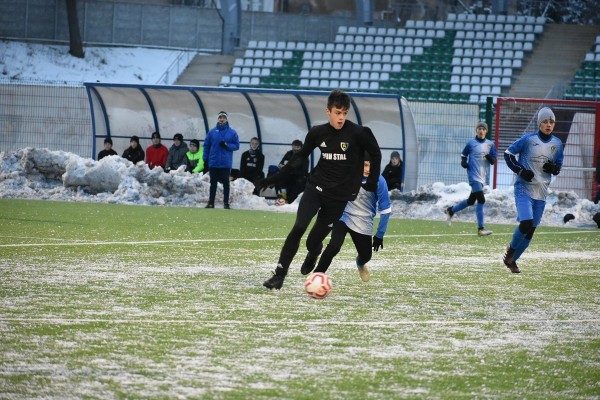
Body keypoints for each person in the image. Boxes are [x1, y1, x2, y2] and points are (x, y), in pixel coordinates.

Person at [255, 89, 382, 290]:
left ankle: (314, 252)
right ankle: (279, 275)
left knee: (312, 242)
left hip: (338, 198)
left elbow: (375, 153)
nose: (341, 117)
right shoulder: (317, 132)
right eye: (337, 112)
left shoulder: (359, 133)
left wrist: (372, 181)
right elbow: (299, 157)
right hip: (315, 188)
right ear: (328, 111)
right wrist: (276, 177)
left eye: (344, 113)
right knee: (299, 226)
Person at [308, 153, 391, 283]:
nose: (368, 169)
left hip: (363, 221)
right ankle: (316, 276)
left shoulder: (379, 181)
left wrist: (380, 234)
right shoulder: (347, 174)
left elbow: (385, 210)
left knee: (366, 256)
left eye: (370, 166)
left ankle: (360, 263)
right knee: (334, 247)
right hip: (343, 216)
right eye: (365, 165)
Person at [503, 107, 564, 273]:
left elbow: (558, 165)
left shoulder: (557, 143)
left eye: (551, 122)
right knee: (526, 223)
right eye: (545, 121)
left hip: (541, 192)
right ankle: (510, 253)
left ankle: (513, 261)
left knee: (531, 231)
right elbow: (508, 154)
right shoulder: (528, 140)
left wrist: (554, 168)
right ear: (539, 123)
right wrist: (521, 171)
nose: (548, 124)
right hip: (523, 188)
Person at [445, 122, 497, 236]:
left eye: (483, 129)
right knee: (481, 200)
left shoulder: (490, 144)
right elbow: (463, 155)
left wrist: (490, 157)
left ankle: (451, 210)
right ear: (476, 130)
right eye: (479, 128)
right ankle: (480, 229)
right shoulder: (471, 143)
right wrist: (463, 162)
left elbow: (493, 160)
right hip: (473, 175)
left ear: (486, 131)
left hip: (483, 176)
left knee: (471, 201)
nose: (481, 130)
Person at [203, 111, 240, 209]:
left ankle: (226, 203)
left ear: (227, 119)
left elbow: (237, 146)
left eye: (224, 117)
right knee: (213, 183)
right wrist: (205, 159)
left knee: (226, 183)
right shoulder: (212, 132)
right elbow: (206, 146)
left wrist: (227, 145)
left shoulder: (232, 132)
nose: (222, 119)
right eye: (220, 117)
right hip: (214, 162)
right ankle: (211, 203)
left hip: (225, 163)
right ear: (218, 119)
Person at [274, 139, 309, 205]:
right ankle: (281, 198)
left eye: (298, 147)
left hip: (298, 177)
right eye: (294, 146)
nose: (296, 148)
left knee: (298, 183)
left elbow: (304, 172)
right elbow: (281, 164)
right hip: (287, 176)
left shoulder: (304, 157)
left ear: (301, 147)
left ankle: (290, 200)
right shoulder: (289, 154)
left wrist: (292, 171)